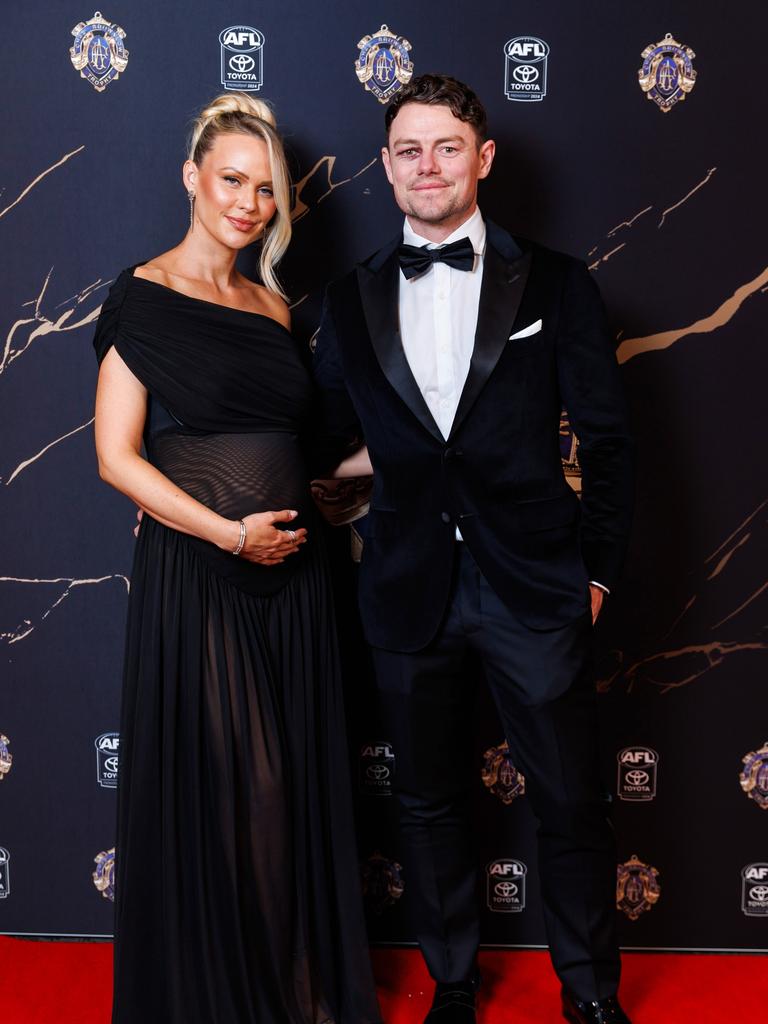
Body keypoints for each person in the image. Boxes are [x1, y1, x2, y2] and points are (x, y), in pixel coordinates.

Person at [314, 75, 635, 1024]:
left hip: (535, 584)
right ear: (385, 166)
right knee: (426, 801)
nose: (427, 166)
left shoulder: (560, 281)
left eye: (447, 147)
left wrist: (601, 571)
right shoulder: (349, 298)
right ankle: (453, 981)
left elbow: (610, 442)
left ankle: (588, 994)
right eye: (409, 150)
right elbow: (321, 438)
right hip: (410, 589)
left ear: (482, 159)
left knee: (571, 801)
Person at [93, 92, 382, 1024]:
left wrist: (365, 474)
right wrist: (226, 533)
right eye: (232, 180)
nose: (250, 203)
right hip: (207, 577)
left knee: (293, 791)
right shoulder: (141, 295)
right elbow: (115, 456)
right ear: (191, 177)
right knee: (244, 790)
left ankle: (296, 997)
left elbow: (296, 441)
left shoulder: (274, 304)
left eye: (266, 190)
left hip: (297, 578)